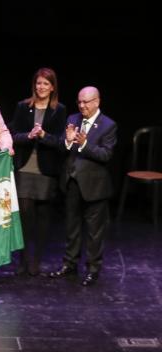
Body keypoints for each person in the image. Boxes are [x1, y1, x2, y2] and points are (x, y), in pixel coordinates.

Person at [49, 86, 116, 286]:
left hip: (94, 186)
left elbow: (106, 155)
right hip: (72, 181)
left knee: (94, 232)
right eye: (79, 101)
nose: (82, 105)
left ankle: (93, 270)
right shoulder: (72, 119)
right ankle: (69, 265)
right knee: (72, 227)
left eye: (86, 102)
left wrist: (85, 145)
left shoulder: (108, 125)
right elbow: (63, 146)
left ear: (97, 102)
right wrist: (68, 142)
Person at [7, 68, 67, 276]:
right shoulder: (23, 107)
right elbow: (12, 135)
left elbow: (62, 143)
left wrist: (43, 135)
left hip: (47, 170)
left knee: (43, 216)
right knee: (25, 216)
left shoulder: (59, 110)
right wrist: (29, 136)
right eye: (38, 83)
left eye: (46, 84)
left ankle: (36, 260)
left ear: (52, 87)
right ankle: (23, 259)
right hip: (25, 168)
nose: (41, 87)